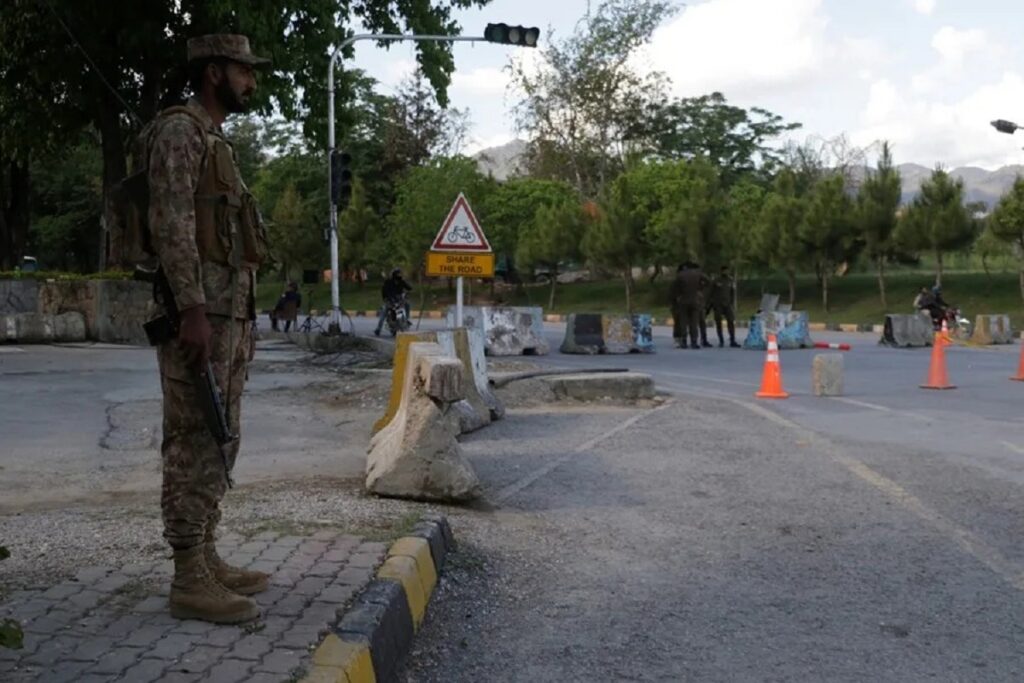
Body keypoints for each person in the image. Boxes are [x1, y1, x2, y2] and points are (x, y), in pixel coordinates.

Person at [148, 34, 271, 624]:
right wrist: (192, 310)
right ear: (215, 72)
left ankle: (207, 553)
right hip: (199, 318)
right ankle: (187, 576)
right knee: (193, 437)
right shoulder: (181, 131)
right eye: (244, 71)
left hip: (229, 316)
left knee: (222, 436)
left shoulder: (215, 138)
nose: (252, 81)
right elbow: (171, 222)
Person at [670, 262, 707, 349]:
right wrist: (700, 288)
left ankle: (684, 342)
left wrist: (678, 297)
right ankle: (694, 342)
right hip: (695, 301)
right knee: (694, 322)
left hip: (683, 301)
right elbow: (708, 281)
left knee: (683, 322)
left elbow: (674, 288)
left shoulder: (680, 275)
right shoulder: (698, 274)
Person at [374, 268, 413, 336]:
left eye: (400, 274)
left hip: (399, 300)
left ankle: (407, 318)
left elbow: (409, 288)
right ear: (394, 275)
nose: (399, 276)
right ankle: (378, 328)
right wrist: (386, 298)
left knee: (407, 305)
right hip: (390, 300)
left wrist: (406, 292)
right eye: (398, 274)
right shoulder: (388, 282)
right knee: (384, 312)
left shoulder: (402, 282)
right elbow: (384, 291)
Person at [710, 266, 741, 348]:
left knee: (731, 321)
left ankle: (732, 340)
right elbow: (711, 292)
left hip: (728, 304)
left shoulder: (730, 280)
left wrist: (732, 303)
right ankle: (721, 340)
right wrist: (712, 304)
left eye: (727, 271)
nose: (726, 272)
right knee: (718, 322)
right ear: (721, 271)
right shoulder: (716, 281)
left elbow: (732, 293)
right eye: (724, 271)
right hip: (718, 304)